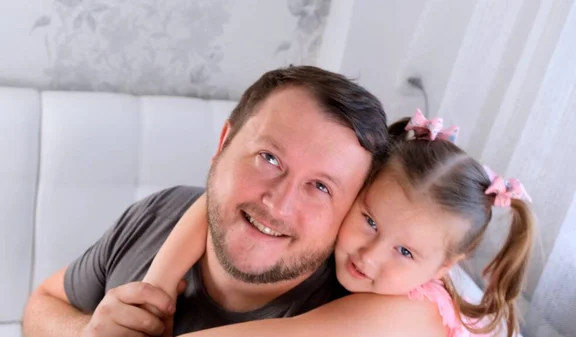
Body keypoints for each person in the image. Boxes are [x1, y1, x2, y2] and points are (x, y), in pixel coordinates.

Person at [21, 65, 389, 337]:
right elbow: (43, 302)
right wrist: (85, 332)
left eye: (321, 187)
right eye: (269, 158)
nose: (279, 205)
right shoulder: (163, 211)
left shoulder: (359, 315)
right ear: (224, 143)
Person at [146, 110, 536, 337]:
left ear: (446, 265)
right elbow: (214, 202)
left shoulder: (405, 314)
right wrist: (154, 292)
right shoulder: (385, 262)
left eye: (404, 251)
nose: (368, 255)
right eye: (370, 221)